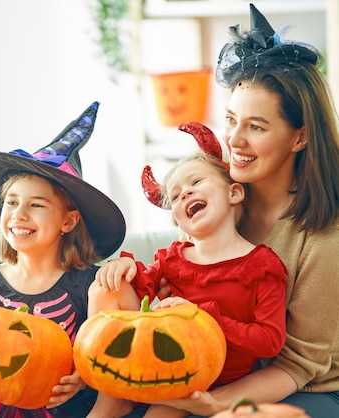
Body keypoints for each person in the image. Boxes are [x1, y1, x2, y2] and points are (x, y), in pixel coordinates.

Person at [124, 4, 339, 417]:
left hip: (309, 389)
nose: (235, 140)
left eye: (256, 127)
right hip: (211, 370)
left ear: (300, 137)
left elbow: (299, 364)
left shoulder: (322, 237)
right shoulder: (218, 201)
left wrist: (214, 404)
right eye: (230, 119)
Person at [0, 101, 127, 417]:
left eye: (36, 205)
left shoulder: (91, 285)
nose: (19, 214)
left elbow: (104, 362)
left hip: (64, 410)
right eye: (11, 203)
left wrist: (82, 380)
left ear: (67, 222)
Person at [87, 138, 288, 418]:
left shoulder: (262, 266)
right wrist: (123, 266)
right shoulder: (173, 259)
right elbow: (138, 293)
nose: (185, 194)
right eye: (177, 195)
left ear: (234, 194)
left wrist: (200, 315)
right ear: (177, 221)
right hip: (173, 372)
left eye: (196, 182)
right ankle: (113, 395)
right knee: (106, 288)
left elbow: (269, 341)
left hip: (228, 382)